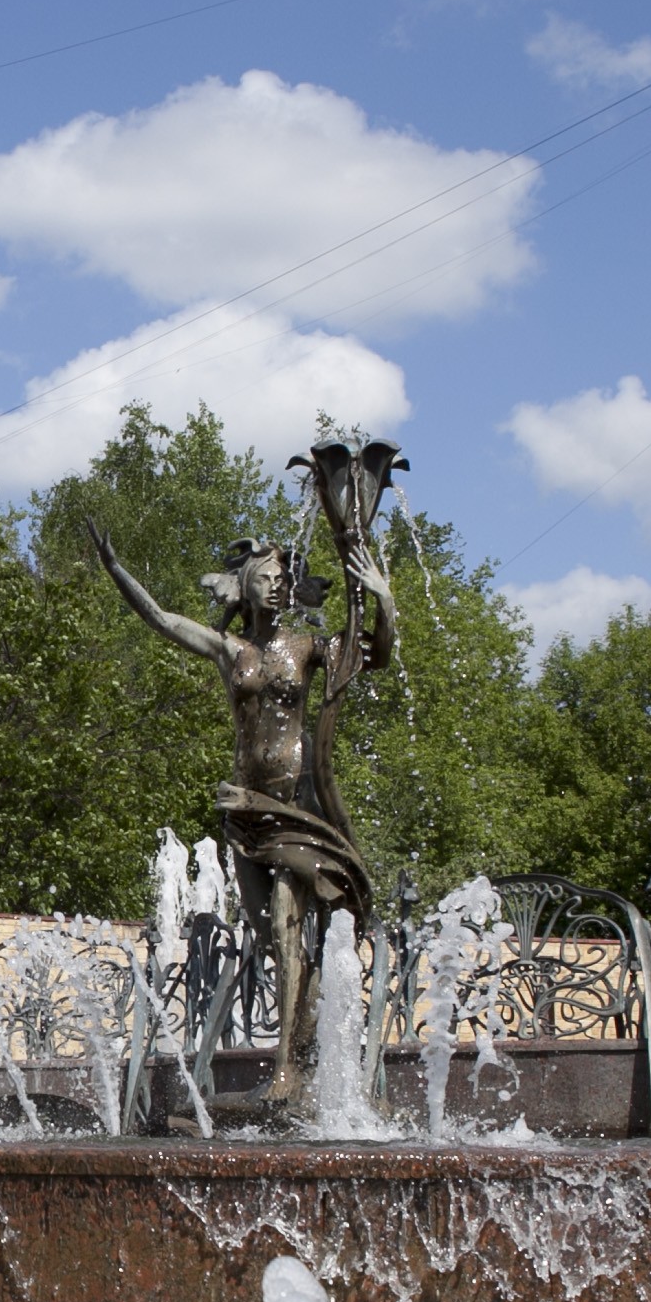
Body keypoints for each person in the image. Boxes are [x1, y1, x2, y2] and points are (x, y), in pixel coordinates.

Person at [91, 438, 405, 1111]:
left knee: (292, 927)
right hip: (244, 805)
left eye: (278, 575)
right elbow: (161, 618)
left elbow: (372, 656)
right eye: (260, 575)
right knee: (271, 937)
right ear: (245, 586)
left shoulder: (305, 647)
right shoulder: (230, 649)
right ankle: (312, 1046)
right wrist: (116, 568)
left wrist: (380, 599)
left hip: (298, 802)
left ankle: (288, 1072)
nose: (271, 582)